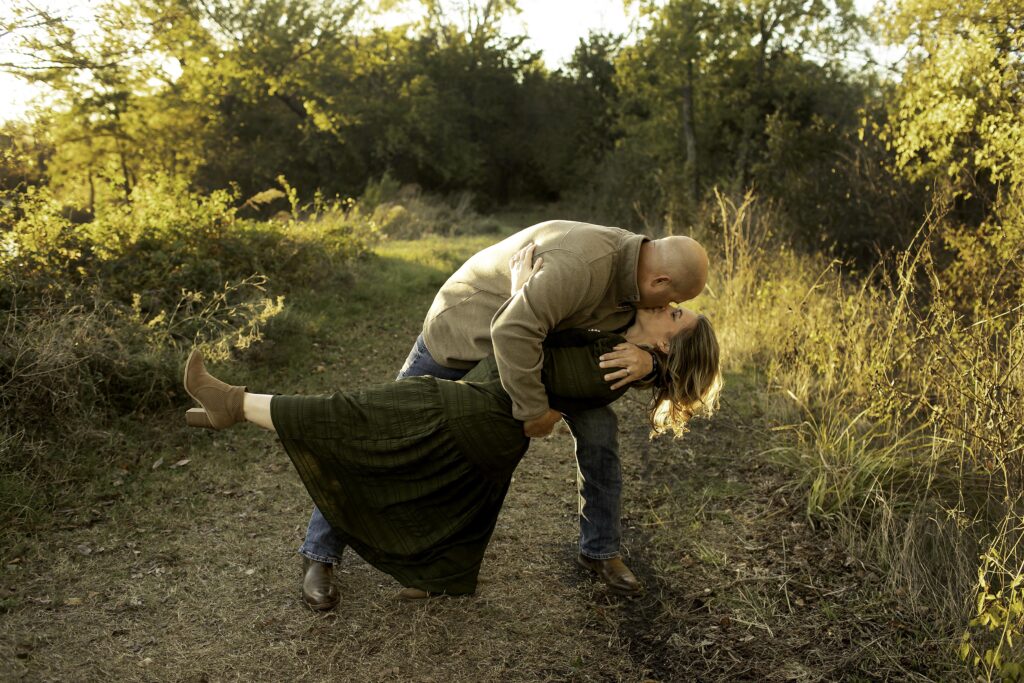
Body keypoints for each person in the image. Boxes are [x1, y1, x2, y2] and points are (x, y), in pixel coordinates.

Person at [182, 246, 721, 600]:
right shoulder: (605, 272)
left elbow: (554, 352)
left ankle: (599, 551)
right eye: (674, 302)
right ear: (658, 276)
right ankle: (322, 553)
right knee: (377, 423)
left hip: (493, 400)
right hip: (466, 336)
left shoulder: (632, 342)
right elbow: (528, 333)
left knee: (365, 426)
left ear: (666, 342)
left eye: (677, 312)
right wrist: (541, 402)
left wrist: (646, 367)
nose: (671, 303)